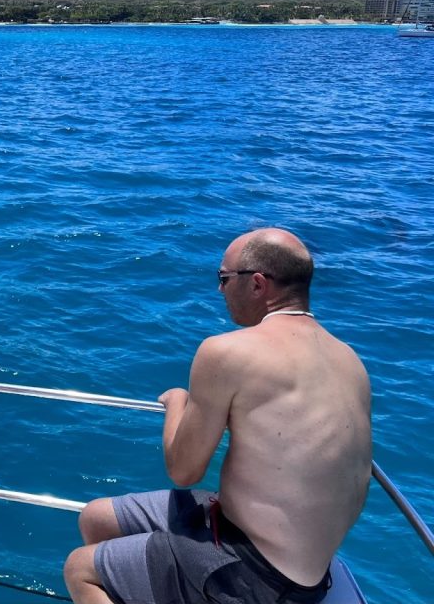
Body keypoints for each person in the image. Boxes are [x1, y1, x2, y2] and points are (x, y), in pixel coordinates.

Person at [64, 228, 372, 604]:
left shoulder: (227, 351)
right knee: (96, 517)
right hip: (288, 557)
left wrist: (178, 402)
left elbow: (183, 470)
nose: (219, 289)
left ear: (257, 284)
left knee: (80, 569)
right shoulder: (349, 360)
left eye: (224, 278)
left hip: (261, 573)